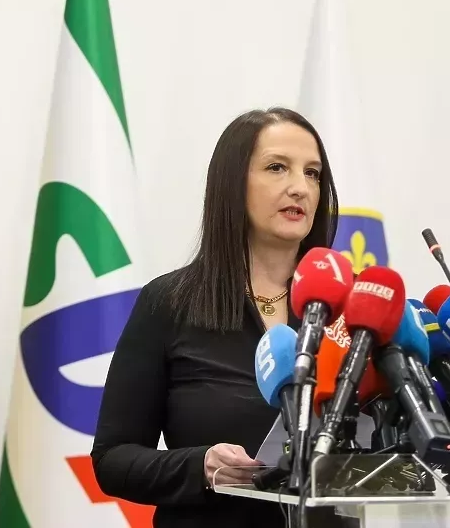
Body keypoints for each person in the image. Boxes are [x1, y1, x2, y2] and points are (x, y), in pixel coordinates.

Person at [91, 107, 339, 527]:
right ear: (232, 182)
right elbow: (113, 459)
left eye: (312, 173)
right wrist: (200, 466)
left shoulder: (346, 309)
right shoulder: (169, 303)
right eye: (277, 167)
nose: (300, 187)